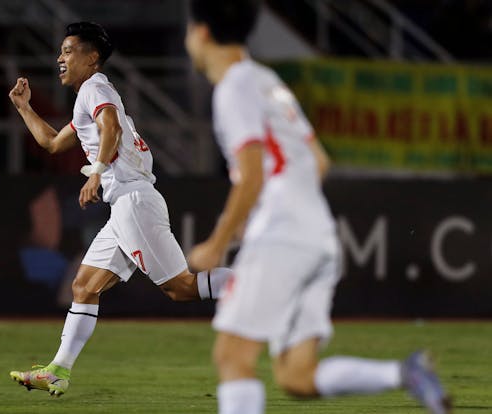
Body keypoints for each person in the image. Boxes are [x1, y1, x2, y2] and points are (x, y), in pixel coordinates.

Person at [184, 1, 452, 413]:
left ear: (201, 33)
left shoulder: (234, 87)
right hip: (318, 237)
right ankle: (405, 373)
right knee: (296, 376)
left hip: (283, 235)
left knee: (232, 357)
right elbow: (319, 160)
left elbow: (252, 174)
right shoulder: (266, 79)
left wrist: (218, 243)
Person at [7, 21, 231, 397]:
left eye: (68, 50)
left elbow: (109, 125)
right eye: (60, 51)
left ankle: (265, 285)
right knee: (83, 286)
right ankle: (57, 370)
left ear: (92, 58)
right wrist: (24, 107)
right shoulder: (87, 97)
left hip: (133, 200)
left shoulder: (95, 87)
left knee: (181, 288)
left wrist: (95, 172)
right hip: (125, 205)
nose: (60, 57)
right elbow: (51, 143)